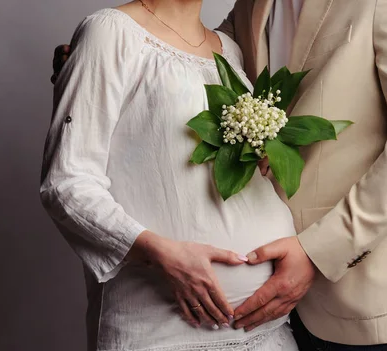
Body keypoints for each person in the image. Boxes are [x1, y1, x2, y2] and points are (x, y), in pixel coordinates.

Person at [51, 0, 387, 350]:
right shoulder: (251, 7)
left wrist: (316, 252)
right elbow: (182, 56)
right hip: (283, 315)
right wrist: (90, 58)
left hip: (384, 304)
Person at [41, 0, 302, 350]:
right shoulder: (110, 32)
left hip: (268, 330)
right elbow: (66, 184)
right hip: (161, 331)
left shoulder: (231, 50)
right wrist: (161, 253)